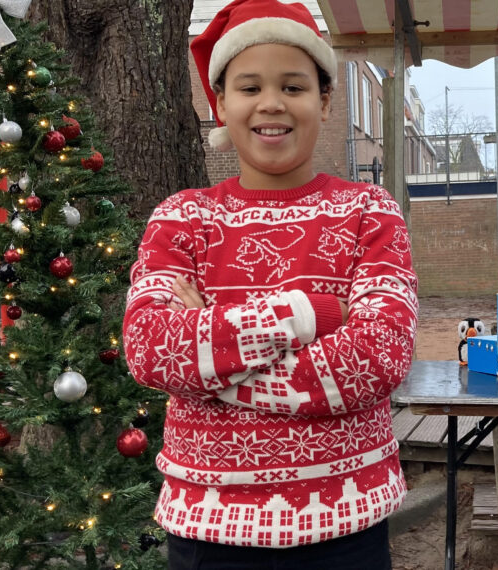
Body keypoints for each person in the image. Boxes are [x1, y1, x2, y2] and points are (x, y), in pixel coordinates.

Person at [121, 1, 417, 567]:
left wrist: (210, 367)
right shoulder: (181, 218)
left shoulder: (369, 211)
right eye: (249, 86)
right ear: (222, 105)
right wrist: (313, 316)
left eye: (294, 86)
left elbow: (379, 358)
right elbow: (152, 349)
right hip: (209, 526)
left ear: (325, 101)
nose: (272, 104)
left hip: (344, 527)